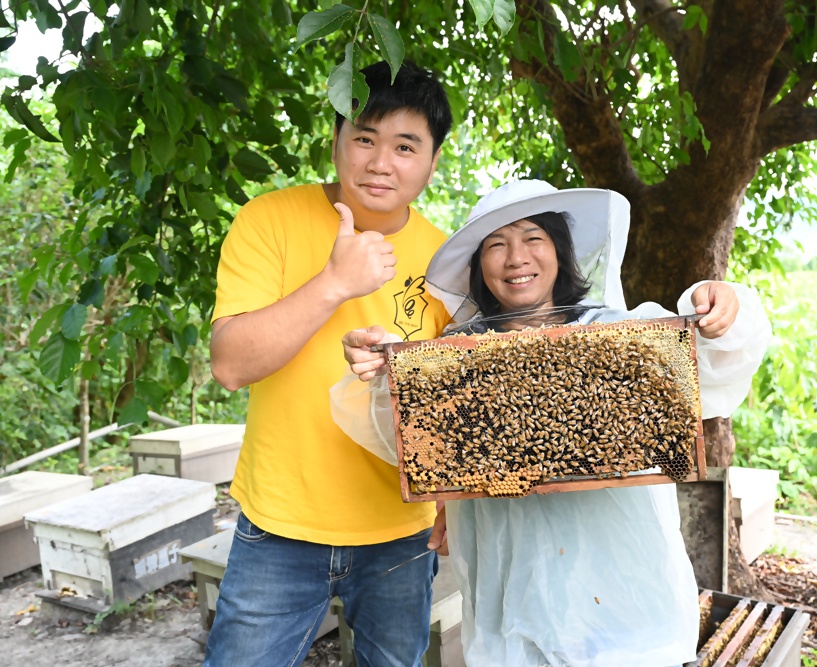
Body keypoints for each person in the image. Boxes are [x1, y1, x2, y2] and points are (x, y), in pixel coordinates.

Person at [337, 179, 772, 667]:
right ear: (479, 266)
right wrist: (381, 370)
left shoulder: (621, 333)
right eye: (497, 244)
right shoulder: (455, 360)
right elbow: (403, 436)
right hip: (511, 602)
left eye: (532, 238)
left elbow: (717, 360)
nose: (515, 256)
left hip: (626, 608)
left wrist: (720, 307)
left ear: (560, 253)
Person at [205, 61, 454, 667]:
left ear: (431, 161)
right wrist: (335, 283)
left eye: (404, 145)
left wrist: (452, 500)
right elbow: (230, 365)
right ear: (336, 140)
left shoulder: (448, 259)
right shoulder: (269, 220)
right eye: (364, 138)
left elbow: (454, 399)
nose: (379, 162)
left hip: (401, 531)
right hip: (279, 526)